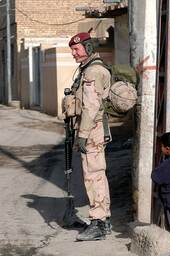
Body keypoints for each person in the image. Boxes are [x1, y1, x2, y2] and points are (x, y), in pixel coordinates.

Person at [68, 32, 112, 241]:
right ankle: (104, 220)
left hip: (92, 130)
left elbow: (91, 107)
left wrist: (82, 135)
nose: (73, 54)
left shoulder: (93, 71)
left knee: (92, 176)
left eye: (76, 49)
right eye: (72, 50)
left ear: (89, 48)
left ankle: (98, 223)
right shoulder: (90, 68)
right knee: (98, 174)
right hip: (93, 129)